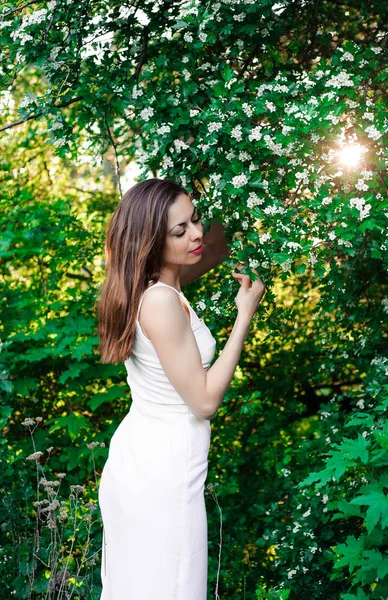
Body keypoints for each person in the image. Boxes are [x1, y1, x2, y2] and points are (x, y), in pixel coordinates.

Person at [96, 178, 266, 599]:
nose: (195, 234)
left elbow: (215, 246)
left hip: (145, 457)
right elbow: (205, 401)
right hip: (161, 473)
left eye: (195, 219)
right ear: (151, 242)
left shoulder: (155, 284)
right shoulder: (160, 301)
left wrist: (269, 183)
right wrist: (243, 315)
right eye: (179, 230)